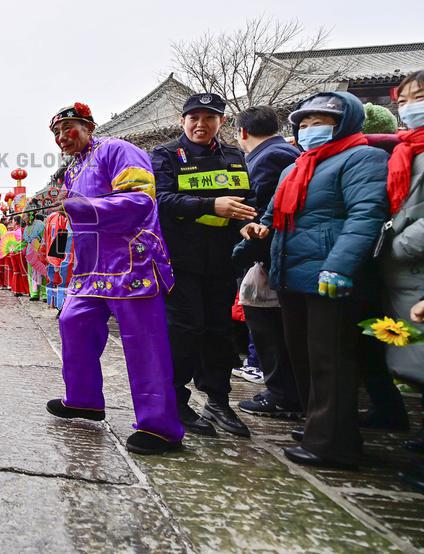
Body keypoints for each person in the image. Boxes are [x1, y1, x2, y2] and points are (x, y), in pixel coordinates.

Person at [240, 91, 389, 469]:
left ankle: (334, 445)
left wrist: (339, 265)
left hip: (330, 276)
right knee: (303, 357)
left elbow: (365, 216)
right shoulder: (297, 167)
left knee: (332, 360)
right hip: (291, 273)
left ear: (344, 123)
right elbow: (273, 214)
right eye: (303, 124)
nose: (309, 130)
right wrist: (256, 231)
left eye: (319, 123)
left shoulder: (363, 158)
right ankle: (316, 426)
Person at [46, 102, 183, 455]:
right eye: (57, 133)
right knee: (72, 322)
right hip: (92, 267)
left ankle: (159, 426)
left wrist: (79, 207)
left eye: (68, 128)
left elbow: (140, 201)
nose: (62, 137)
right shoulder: (72, 171)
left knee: (143, 343)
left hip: (131, 261)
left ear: (89, 126)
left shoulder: (119, 150)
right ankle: (84, 399)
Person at [151, 93, 255, 438]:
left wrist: (247, 223)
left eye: (209, 118)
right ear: (182, 121)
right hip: (180, 258)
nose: (200, 124)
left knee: (218, 330)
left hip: (222, 259)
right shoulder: (165, 156)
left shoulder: (233, 156)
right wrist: (211, 205)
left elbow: (246, 199)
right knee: (184, 328)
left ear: (221, 122)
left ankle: (218, 400)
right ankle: (175, 400)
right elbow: (159, 199)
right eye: (193, 117)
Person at [231, 105, 302, 419]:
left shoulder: (268, 158)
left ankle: (282, 393)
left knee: (269, 325)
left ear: (242, 133)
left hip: (270, 252)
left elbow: (258, 207)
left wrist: (237, 252)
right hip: (277, 253)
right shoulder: (286, 153)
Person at [379, 71, 424, 476]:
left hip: (413, 266)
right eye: (404, 99)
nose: (410, 106)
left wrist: (391, 246)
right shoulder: (405, 151)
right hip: (405, 275)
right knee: (415, 360)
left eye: (420, 96)